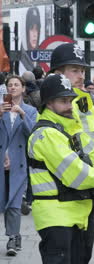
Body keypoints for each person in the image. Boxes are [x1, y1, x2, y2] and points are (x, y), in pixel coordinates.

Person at [27, 74, 94, 264]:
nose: (69, 106)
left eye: (71, 100)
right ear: (49, 103)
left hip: (76, 214)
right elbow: (75, 173)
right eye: (63, 101)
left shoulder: (71, 127)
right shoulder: (46, 134)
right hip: (56, 217)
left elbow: (93, 155)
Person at [50, 43, 94, 264]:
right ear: (57, 73)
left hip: (90, 190)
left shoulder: (85, 99)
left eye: (82, 70)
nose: (81, 76)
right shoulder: (60, 106)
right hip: (68, 193)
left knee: (84, 255)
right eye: (74, 70)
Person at [1, 75, 37, 256]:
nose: (13, 87)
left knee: (14, 203)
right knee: (3, 201)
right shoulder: (1, 109)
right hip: (1, 161)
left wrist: (22, 115)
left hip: (19, 164)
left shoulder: (30, 111)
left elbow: (34, 135)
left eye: (16, 85)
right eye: (10, 85)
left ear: (23, 89)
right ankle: (14, 235)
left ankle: (13, 237)